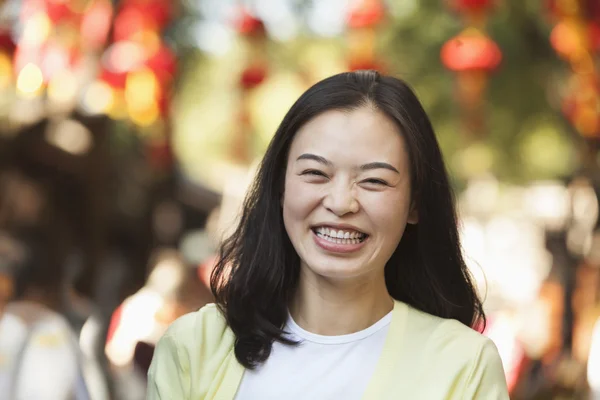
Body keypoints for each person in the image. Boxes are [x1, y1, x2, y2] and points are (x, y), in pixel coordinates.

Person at [147, 70, 509, 399]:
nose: (341, 203)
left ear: (415, 204)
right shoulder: (194, 347)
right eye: (316, 173)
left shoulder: (464, 365)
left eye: (374, 181)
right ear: (280, 187)